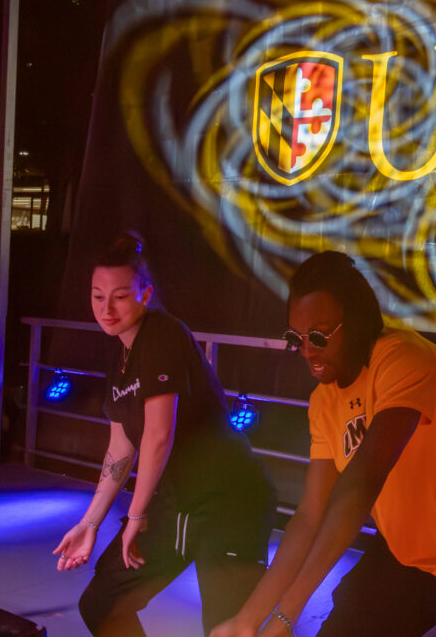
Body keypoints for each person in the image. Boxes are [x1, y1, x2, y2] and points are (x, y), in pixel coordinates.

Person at [210, 250, 436, 637]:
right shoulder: (324, 402)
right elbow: (310, 514)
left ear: (355, 323)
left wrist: (287, 614)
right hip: (410, 558)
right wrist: (248, 620)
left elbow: (363, 480)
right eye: (295, 338)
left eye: (318, 336)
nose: (306, 350)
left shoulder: (401, 358)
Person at [53, 234, 275, 636]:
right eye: (97, 295)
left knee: (230, 629)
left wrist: (136, 515)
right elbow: (120, 447)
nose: (106, 308)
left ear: (145, 293)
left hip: (229, 503)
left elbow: (158, 435)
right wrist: (91, 522)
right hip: (178, 500)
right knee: (103, 603)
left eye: (120, 295)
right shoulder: (118, 352)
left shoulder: (163, 334)